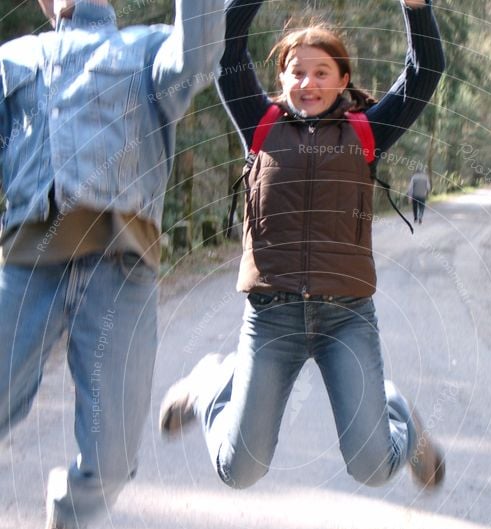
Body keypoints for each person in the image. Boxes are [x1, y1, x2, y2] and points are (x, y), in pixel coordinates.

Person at [160, 0, 446, 494]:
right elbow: (228, 51)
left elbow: (426, 71)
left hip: (346, 318)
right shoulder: (260, 123)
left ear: (342, 79)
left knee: (373, 467)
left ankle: (401, 419)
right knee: (239, 469)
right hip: (272, 317)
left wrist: (415, 7)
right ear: (282, 79)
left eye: (321, 72)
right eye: (297, 72)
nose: (308, 83)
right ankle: (211, 382)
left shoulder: (366, 131)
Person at [0, 0, 224, 529]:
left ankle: (69, 513)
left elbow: (200, 57)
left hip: (121, 271)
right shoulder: (12, 60)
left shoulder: (151, 49)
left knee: (114, 454)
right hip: (27, 266)